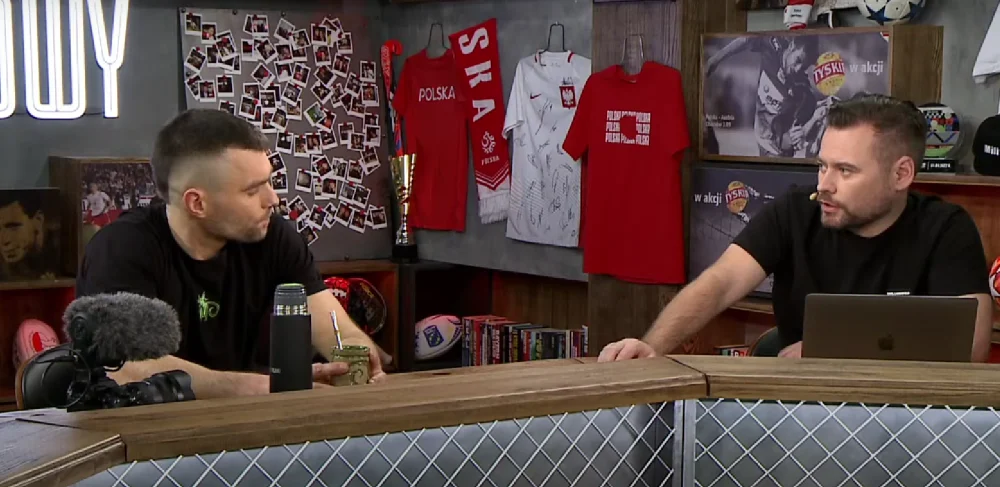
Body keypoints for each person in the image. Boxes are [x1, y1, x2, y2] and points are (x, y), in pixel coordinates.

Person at [599, 94, 994, 363]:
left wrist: (834, 351)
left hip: (904, 417)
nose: (825, 184)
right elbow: (721, 281)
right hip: (800, 410)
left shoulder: (945, 229)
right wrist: (651, 348)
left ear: (901, 174)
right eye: (823, 166)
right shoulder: (795, 210)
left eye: (846, 171)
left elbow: (971, 347)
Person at [76, 108, 386, 399]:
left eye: (269, 181)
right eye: (252, 190)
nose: (273, 199)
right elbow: (129, 367)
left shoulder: (273, 237)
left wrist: (356, 352)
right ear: (197, 203)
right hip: (136, 426)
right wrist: (264, 386)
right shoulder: (121, 249)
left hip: (241, 418)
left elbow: (333, 327)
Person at [705, 35, 832, 158]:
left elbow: (792, 138)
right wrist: (715, 59)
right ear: (792, 46)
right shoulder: (772, 46)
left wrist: (805, 129)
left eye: (804, 67)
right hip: (761, 134)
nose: (798, 69)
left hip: (776, 149)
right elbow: (746, 40)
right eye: (798, 60)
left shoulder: (803, 91)